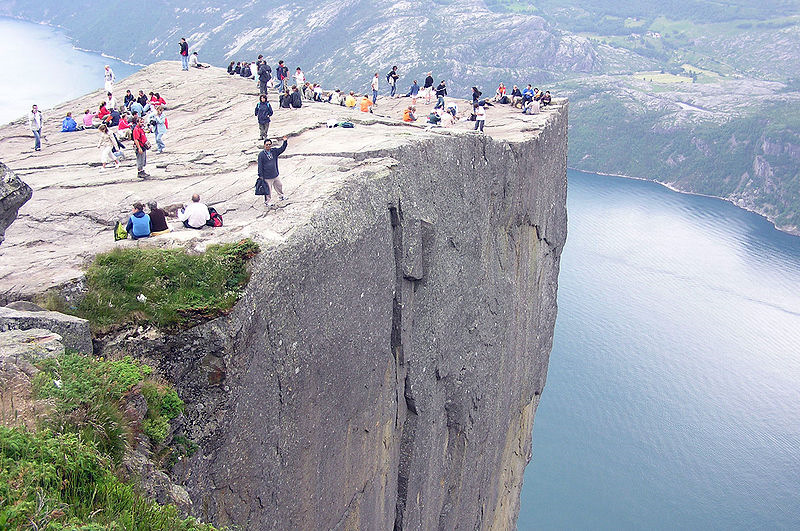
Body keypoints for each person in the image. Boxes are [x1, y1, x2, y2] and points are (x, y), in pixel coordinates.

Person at [257, 137, 289, 206]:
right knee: (268, 190)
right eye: (267, 144)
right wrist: (260, 176)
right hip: (267, 176)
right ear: (264, 145)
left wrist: (285, 142)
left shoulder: (274, 151)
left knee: (279, 185)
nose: (268, 146)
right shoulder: (261, 155)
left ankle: (281, 196)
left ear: (271, 145)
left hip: (275, 174)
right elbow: (260, 165)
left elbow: (281, 149)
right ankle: (267, 202)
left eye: (269, 144)